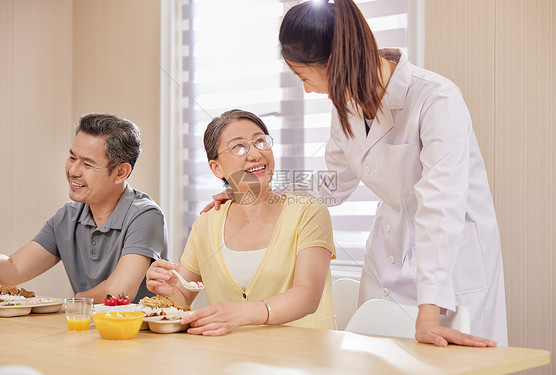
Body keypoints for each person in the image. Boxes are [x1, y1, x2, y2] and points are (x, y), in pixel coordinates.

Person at [207, 0, 508, 346]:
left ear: (335, 63)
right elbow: (331, 185)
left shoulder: (436, 100)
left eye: (304, 76)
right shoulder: (346, 106)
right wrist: (255, 190)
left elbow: (440, 209)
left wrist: (428, 312)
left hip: (451, 266)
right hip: (388, 255)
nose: (306, 89)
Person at [146, 109, 336, 336]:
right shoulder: (206, 224)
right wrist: (168, 290)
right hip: (232, 360)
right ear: (217, 168)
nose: (255, 154)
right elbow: (181, 296)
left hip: (305, 359)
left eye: (260, 141)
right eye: (238, 147)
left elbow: (307, 295)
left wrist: (241, 313)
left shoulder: (310, 213)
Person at [0, 113, 168, 303]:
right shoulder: (67, 217)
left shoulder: (145, 215)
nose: (73, 171)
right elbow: (13, 270)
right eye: (72, 158)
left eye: (87, 164)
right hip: (86, 330)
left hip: (136, 331)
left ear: (121, 172)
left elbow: (120, 291)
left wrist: (76, 301)